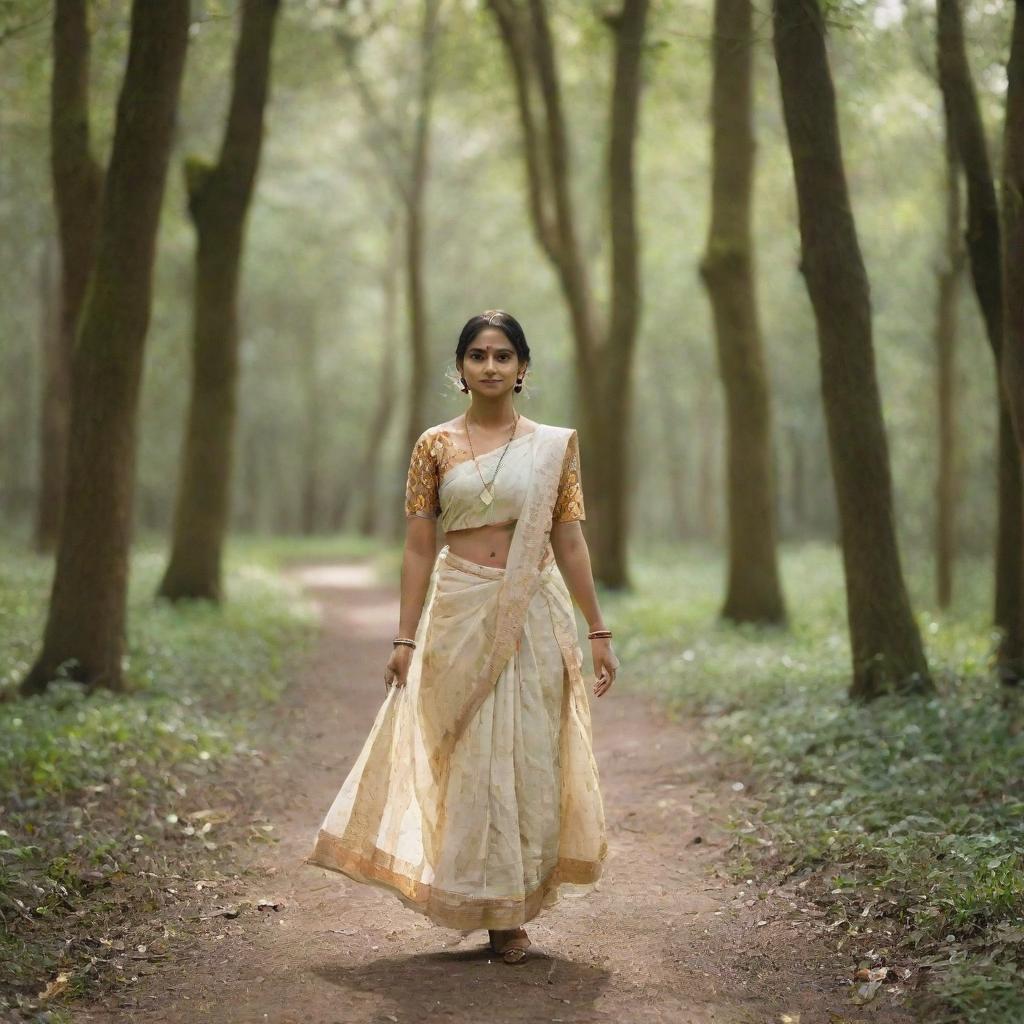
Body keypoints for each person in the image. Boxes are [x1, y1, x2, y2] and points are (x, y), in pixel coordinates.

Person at [306, 310, 618, 964]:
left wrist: (597, 628)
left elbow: (568, 538)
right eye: (477, 355)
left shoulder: (553, 445)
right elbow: (419, 546)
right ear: (461, 369)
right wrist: (403, 637)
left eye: (504, 355)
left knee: (528, 755)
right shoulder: (434, 446)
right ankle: (467, 891)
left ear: (524, 368)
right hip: (458, 609)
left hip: (534, 611)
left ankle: (510, 915)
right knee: (467, 755)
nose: (491, 365)